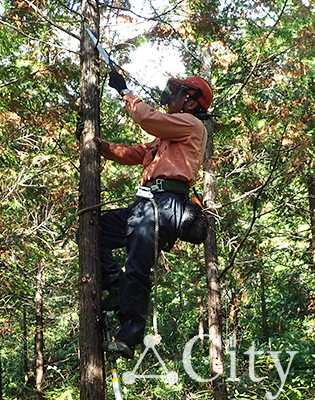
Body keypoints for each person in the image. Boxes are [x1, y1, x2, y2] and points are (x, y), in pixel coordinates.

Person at [99, 70, 213, 359]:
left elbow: (147, 119)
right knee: (95, 230)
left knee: (137, 264)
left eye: (177, 94)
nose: (170, 100)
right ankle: (115, 286)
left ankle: (129, 335)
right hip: (146, 204)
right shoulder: (164, 140)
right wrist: (96, 145)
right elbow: (132, 153)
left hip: (165, 203)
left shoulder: (190, 125)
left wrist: (125, 92)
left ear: (190, 102)